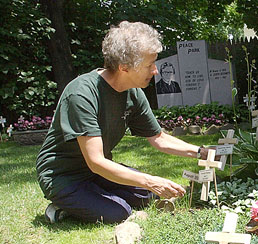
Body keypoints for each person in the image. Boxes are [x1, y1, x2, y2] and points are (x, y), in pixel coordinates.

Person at [36, 21, 208, 224]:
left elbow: (159, 138)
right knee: (119, 212)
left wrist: (200, 152)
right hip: (64, 176)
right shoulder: (82, 93)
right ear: (124, 67)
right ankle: (63, 204)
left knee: (148, 195)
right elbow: (96, 161)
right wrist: (150, 180)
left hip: (97, 172)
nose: (155, 71)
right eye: (149, 65)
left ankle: (92, 196)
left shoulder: (133, 93)